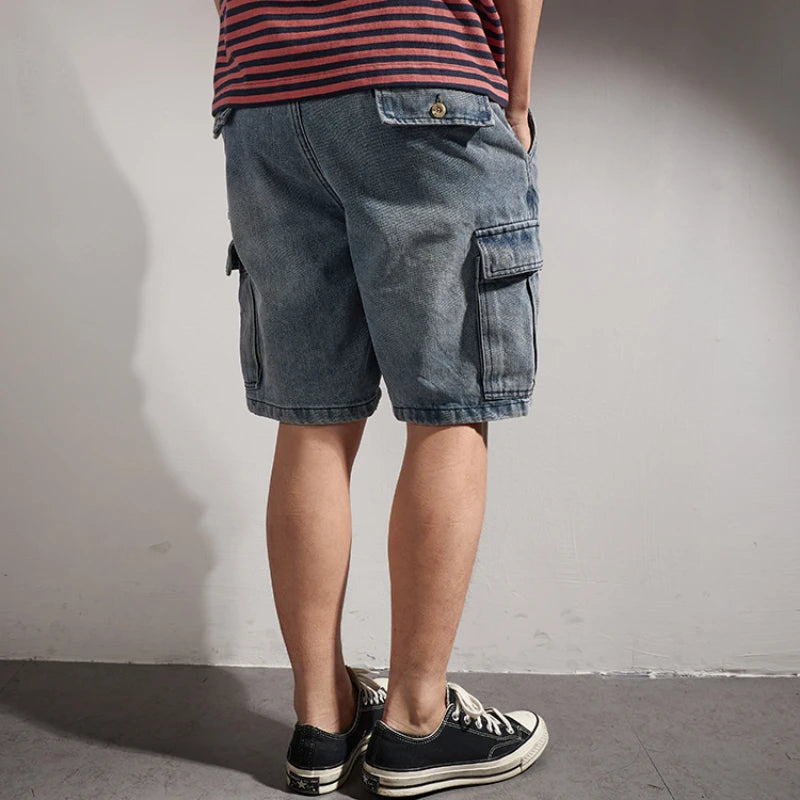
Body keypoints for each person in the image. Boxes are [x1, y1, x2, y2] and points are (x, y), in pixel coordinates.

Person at [211, 1, 548, 795]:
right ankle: (416, 723)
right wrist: (517, 99)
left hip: (263, 97)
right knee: (449, 406)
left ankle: (321, 721)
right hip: (419, 74)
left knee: (312, 417)